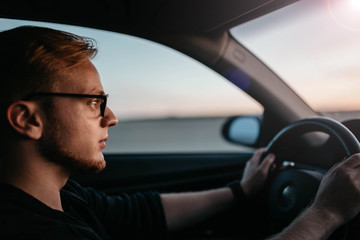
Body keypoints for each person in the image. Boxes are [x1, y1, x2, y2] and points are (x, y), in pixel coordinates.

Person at [0, 26, 360, 240]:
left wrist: (241, 191)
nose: (111, 117)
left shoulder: (60, 195)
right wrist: (324, 214)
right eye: (94, 101)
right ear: (28, 119)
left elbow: (134, 214)